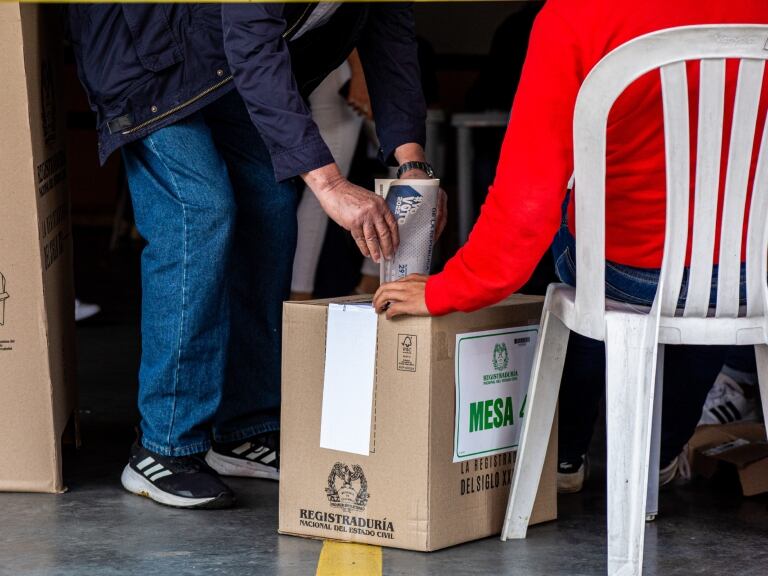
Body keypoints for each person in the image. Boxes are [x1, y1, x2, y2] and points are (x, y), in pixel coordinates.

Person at [373, 0, 768, 493]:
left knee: (576, 252)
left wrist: (447, 288)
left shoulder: (575, 17)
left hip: (631, 272)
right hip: (756, 273)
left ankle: (566, 453)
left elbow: (526, 205)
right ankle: (663, 450)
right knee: (715, 280)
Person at [68, 3, 443, 509]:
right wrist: (330, 183)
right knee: (199, 210)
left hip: (219, 59)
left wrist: (411, 162)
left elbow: (390, 42)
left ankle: (244, 429)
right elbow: (251, 36)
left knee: (270, 200)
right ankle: (163, 447)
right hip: (146, 47)